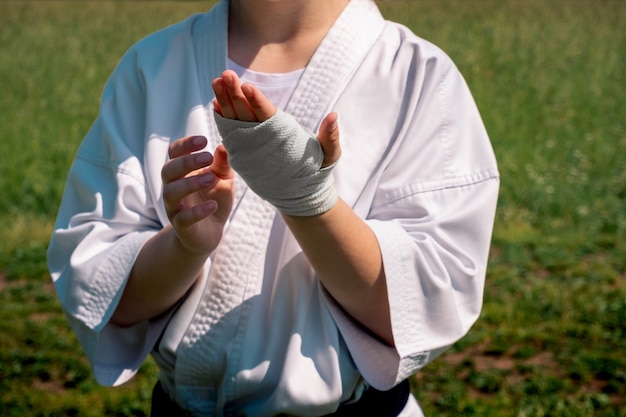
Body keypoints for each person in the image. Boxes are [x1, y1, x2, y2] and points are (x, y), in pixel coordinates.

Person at [47, 0, 499, 415]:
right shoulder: (153, 67)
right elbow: (104, 294)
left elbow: (420, 306)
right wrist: (184, 246)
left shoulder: (418, 76)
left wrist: (310, 203)